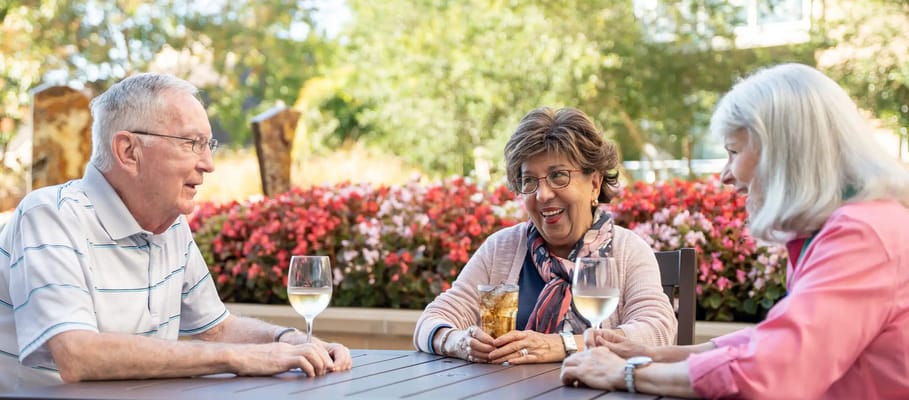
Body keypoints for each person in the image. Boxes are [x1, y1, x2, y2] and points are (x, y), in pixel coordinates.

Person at [561, 63, 909, 398]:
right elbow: (771, 343)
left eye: (733, 151)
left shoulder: (861, 237)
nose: (726, 174)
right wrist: (654, 355)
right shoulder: (856, 225)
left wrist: (627, 374)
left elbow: (770, 372)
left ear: (783, 153)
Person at [0, 73, 351, 391]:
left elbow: (216, 330)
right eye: (191, 143)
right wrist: (239, 359)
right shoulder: (50, 215)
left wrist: (288, 341)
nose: (208, 164)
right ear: (128, 151)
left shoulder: (170, 225)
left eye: (208, 145)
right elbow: (77, 355)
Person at [413, 107, 676, 365]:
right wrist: (457, 341)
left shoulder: (627, 251)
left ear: (594, 183)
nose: (543, 195)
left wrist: (564, 345)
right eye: (529, 181)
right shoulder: (502, 249)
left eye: (558, 176)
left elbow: (657, 331)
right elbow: (432, 321)